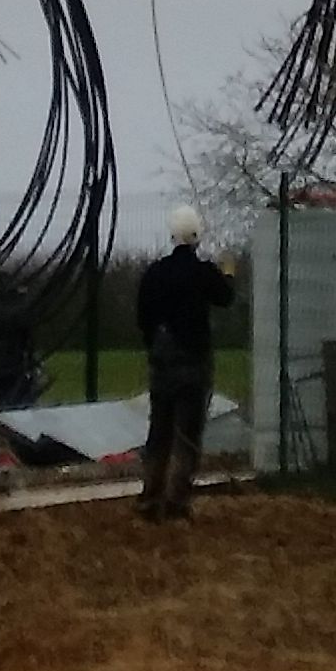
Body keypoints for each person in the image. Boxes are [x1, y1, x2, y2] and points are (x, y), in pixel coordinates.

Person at [133, 204, 231, 524]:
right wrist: (228, 272)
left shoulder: (154, 273)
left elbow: (142, 317)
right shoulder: (203, 272)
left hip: (161, 364)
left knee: (159, 432)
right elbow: (225, 297)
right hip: (193, 363)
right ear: (196, 236)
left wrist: (154, 344)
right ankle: (176, 503)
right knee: (187, 435)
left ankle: (149, 499)